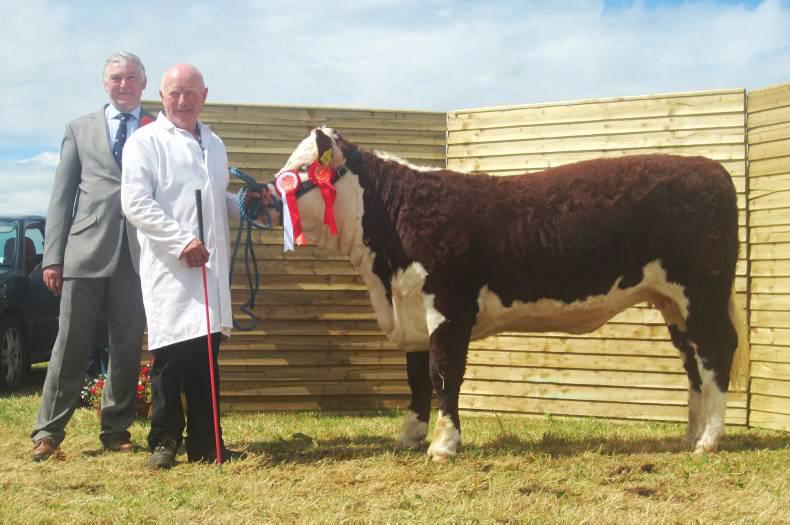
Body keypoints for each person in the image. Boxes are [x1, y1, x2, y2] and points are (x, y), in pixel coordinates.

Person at [121, 64, 249, 468]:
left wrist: (245, 204)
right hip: (171, 268)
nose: (182, 101)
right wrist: (181, 242)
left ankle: (207, 443)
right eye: (174, 93)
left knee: (206, 355)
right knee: (171, 357)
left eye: (190, 93)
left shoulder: (214, 143)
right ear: (161, 96)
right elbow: (136, 203)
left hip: (209, 269)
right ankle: (164, 441)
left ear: (204, 95)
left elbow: (215, 201)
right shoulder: (145, 142)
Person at [31, 51, 150, 461]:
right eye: (116, 77)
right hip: (83, 251)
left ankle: (116, 430)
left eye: (131, 77)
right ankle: (48, 432)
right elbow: (60, 198)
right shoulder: (78, 128)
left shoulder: (159, 129)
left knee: (127, 344)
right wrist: (52, 256)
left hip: (137, 256)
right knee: (70, 344)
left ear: (143, 84)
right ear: (105, 83)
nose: (123, 84)